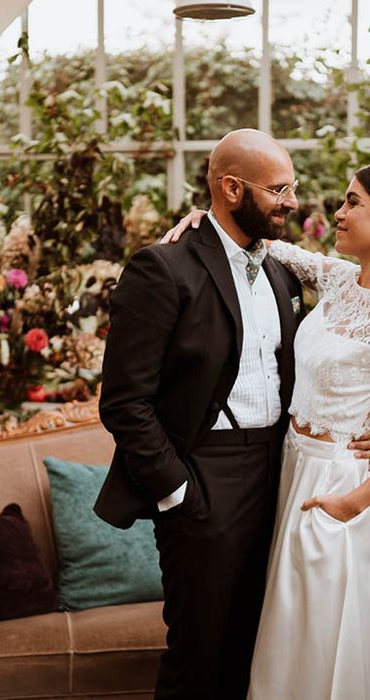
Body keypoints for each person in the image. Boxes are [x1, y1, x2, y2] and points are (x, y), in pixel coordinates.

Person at [93, 128, 303, 699]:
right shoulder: (163, 268)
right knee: (201, 654)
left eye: (293, 187)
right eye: (279, 189)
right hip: (204, 476)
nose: (292, 201)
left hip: (280, 473)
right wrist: (176, 490)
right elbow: (123, 400)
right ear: (232, 189)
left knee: (261, 644)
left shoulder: (285, 272)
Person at [163, 166, 370, 699]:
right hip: (290, 469)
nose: (337, 214)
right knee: (283, 633)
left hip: (344, 487)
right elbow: (260, 246)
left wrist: (352, 503)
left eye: (353, 202)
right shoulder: (339, 278)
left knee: (328, 635)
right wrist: (206, 224)